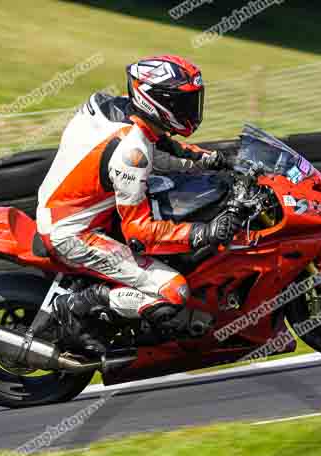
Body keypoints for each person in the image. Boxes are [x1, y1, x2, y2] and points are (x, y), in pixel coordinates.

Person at [36, 55, 242, 356]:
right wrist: (204, 232)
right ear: (156, 101)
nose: (191, 110)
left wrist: (209, 159)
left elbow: (157, 146)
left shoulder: (116, 108)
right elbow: (140, 233)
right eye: (182, 103)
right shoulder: (131, 155)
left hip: (65, 203)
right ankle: (77, 305)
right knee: (173, 291)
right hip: (73, 233)